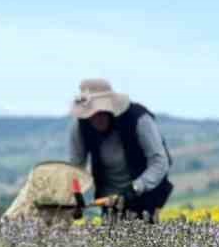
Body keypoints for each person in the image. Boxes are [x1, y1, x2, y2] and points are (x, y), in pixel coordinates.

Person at [67, 78, 174, 221]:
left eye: (100, 113)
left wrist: (135, 188)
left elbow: (160, 162)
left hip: (145, 194)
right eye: (90, 115)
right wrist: (75, 195)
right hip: (108, 200)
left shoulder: (138, 119)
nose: (95, 119)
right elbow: (75, 167)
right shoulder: (80, 127)